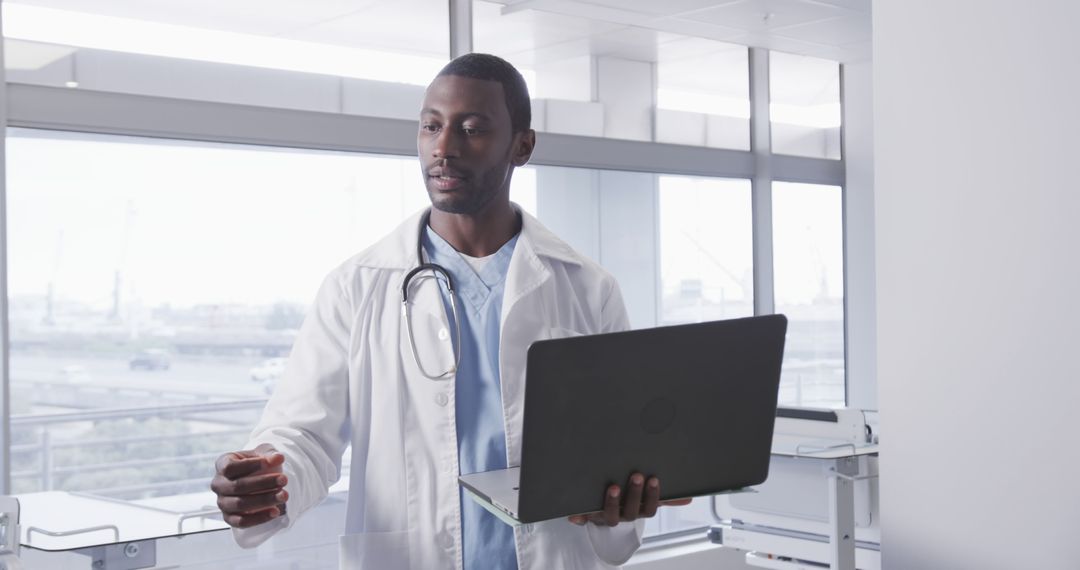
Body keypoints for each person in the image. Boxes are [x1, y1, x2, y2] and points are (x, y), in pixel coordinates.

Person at [211, 53, 689, 570]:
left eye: (472, 128)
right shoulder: (356, 287)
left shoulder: (588, 289)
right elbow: (303, 435)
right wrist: (265, 481)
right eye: (431, 127)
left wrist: (618, 507)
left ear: (522, 146)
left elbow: (613, 451)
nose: (443, 148)